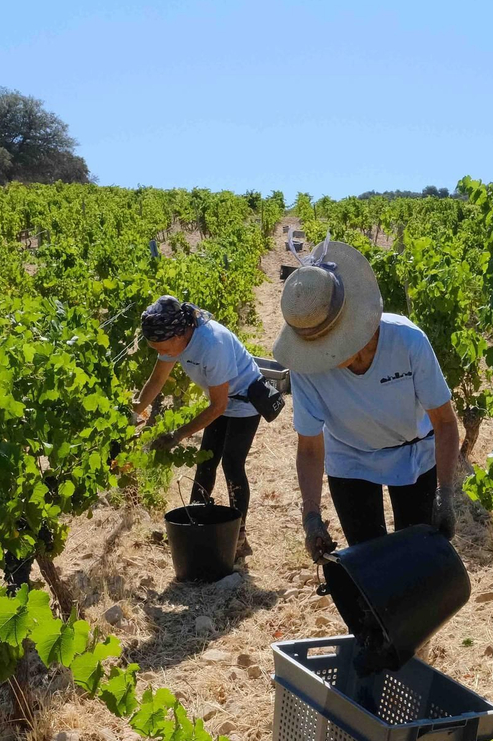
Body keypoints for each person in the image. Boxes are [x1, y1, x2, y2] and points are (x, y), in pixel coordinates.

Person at [270, 240, 460, 562]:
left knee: (418, 556)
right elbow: (311, 448)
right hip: (351, 457)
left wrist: (445, 493)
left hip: (413, 454)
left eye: (334, 345)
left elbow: (444, 422)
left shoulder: (407, 341)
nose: (329, 357)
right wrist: (311, 517)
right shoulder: (307, 368)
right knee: (372, 558)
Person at [134, 296, 264, 555]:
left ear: (180, 334)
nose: (163, 353)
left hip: (246, 400)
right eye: (156, 348)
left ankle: (239, 538)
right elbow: (157, 380)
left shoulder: (211, 344)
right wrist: (132, 411)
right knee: (206, 460)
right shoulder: (172, 340)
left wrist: (178, 434)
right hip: (222, 398)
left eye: (164, 347)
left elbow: (219, 406)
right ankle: (193, 524)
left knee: (232, 464)